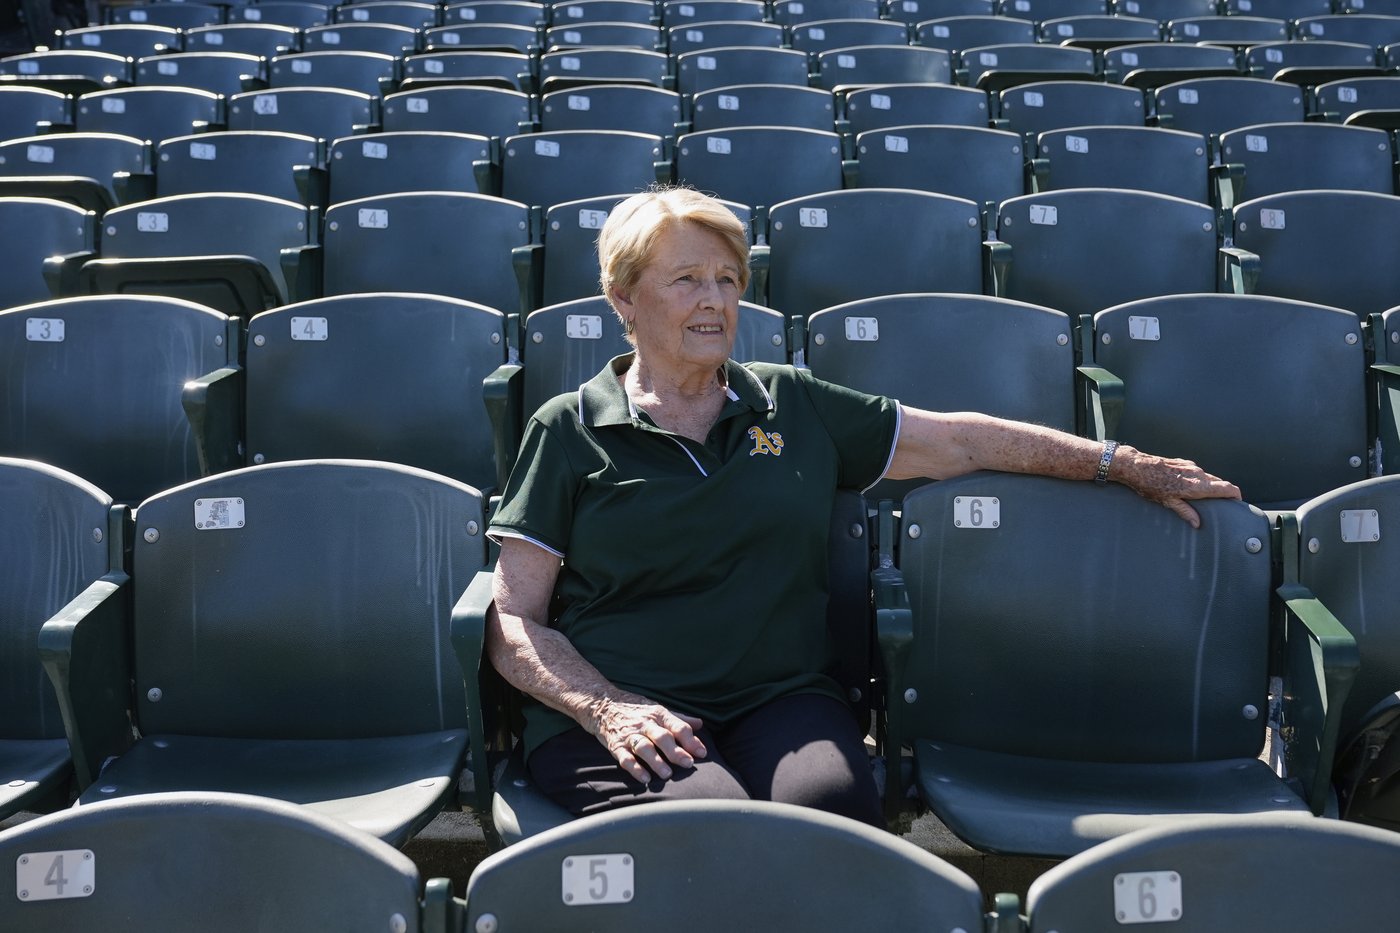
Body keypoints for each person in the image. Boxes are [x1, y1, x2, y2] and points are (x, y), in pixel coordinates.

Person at [485, 186, 1241, 828]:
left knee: (835, 810)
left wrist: (1117, 462)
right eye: (686, 279)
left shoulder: (791, 402)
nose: (715, 299)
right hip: (623, 710)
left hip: (778, 698)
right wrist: (605, 707)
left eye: (727, 279)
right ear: (624, 297)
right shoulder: (569, 426)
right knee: (706, 828)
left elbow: (960, 442)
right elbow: (513, 617)